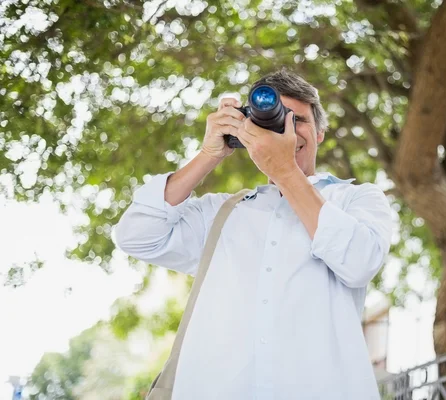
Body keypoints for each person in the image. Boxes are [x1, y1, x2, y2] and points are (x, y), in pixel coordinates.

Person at [114, 69, 393, 400]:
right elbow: (135, 235)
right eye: (275, 122)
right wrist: (208, 155)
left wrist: (285, 171)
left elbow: (361, 261)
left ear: (319, 133)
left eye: (298, 120)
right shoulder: (223, 213)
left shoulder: (356, 200)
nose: (286, 131)